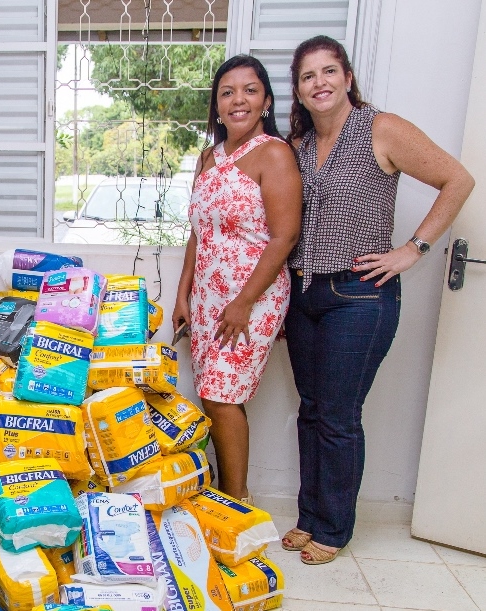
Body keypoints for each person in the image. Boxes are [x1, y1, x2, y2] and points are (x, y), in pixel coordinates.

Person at [281, 36, 475, 565]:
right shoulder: (297, 146)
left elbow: (457, 179)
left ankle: (334, 529)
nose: (319, 82)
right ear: (298, 90)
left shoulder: (380, 129)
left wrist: (413, 249)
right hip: (304, 295)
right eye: (307, 76)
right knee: (312, 411)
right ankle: (309, 516)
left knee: (340, 415)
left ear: (346, 76)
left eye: (328, 71)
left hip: (359, 296)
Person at [172, 55, 302, 504]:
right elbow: (198, 231)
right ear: (217, 105)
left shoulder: (274, 153)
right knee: (211, 395)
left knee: (224, 397)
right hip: (208, 296)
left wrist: (244, 301)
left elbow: (284, 237)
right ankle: (226, 496)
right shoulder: (209, 156)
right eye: (227, 92)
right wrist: (183, 293)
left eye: (249, 90)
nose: (238, 100)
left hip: (252, 297)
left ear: (265, 100)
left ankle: (234, 500)